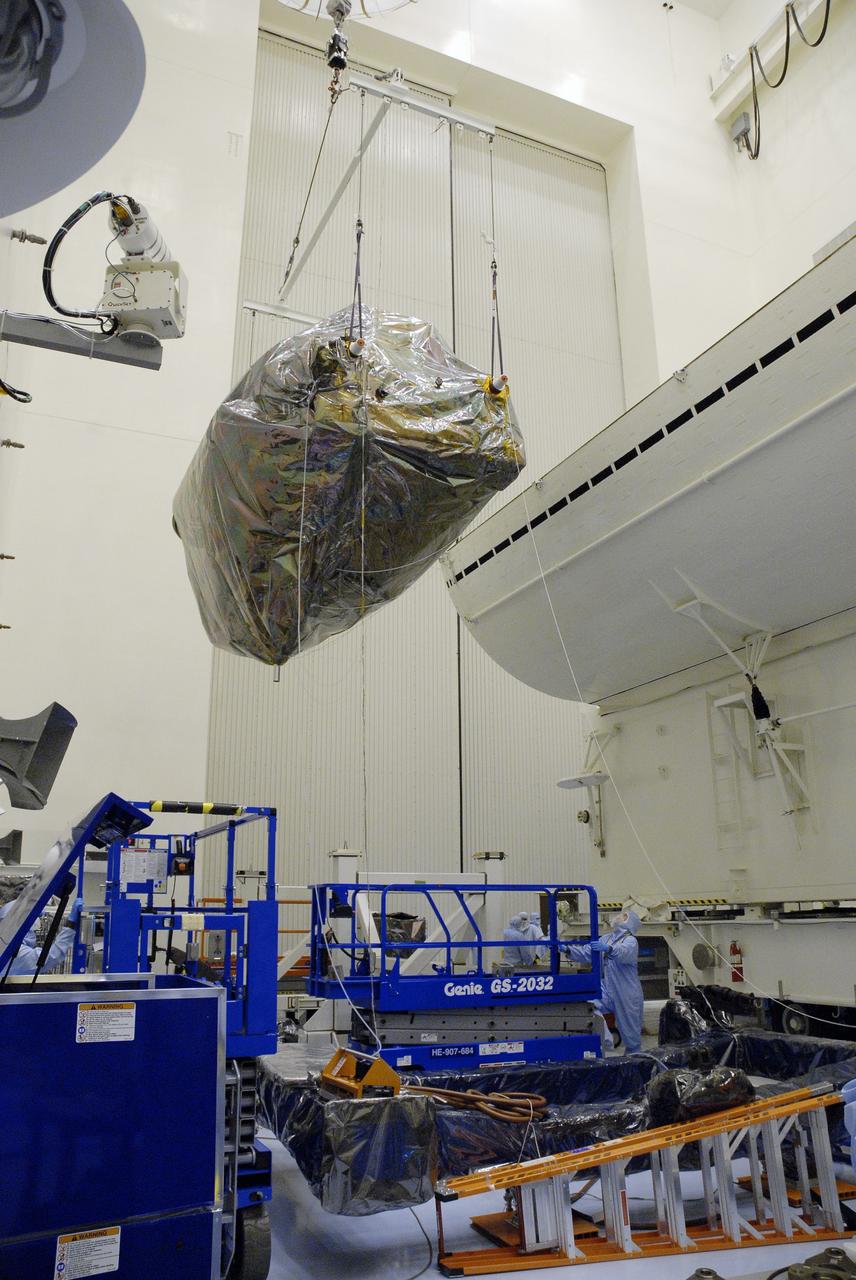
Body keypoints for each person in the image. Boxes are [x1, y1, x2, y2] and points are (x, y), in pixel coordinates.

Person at [562, 908, 644, 1054]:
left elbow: (623, 953)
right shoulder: (605, 938)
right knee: (590, 1005)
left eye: (623, 916)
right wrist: (567, 950)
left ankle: (635, 1059)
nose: (618, 917)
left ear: (629, 922)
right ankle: (606, 1040)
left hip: (626, 993)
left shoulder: (630, 941)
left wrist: (608, 949)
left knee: (631, 1037)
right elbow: (587, 952)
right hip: (606, 988)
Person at [0, 875, 81, 977]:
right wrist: (71, 923)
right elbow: (51, 957)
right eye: (32, 917)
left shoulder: (5, 942)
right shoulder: (12, 952)